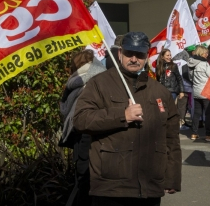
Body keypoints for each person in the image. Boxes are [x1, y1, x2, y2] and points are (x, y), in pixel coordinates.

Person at [73, 32, 181, 206]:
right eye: (129, 53)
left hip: (149, 187)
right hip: (111, 186)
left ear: (147, 56)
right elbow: (81, 119)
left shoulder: (160, 91)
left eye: (139, 55)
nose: (134, 59)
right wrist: (122, 115)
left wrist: (173, 177)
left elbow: (171, 138)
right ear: (120, 53)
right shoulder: (99, 83)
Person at [60, 50, 107, 206]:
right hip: (98, 141)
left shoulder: (86, 82)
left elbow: (71, 111)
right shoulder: (102, 79)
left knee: (84, 185)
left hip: (86, 140)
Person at [188, 45, 210, 141]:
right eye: (206, 53)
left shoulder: (191, 62)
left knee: (197, 113)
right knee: (208, 113)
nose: (207, 55)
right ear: (202, 53)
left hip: (196, 90)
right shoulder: (204, 63)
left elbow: (190, 77)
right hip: (206, 91)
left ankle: (194, 133)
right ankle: (208, 134)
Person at [172, 50, 191, 129]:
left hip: (173, 87)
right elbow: (185, 75)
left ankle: (175, 122)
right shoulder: (184, 63)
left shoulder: (171, 63)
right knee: (182, 106)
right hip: (184, 86)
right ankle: (181, 122)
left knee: (174, 106)